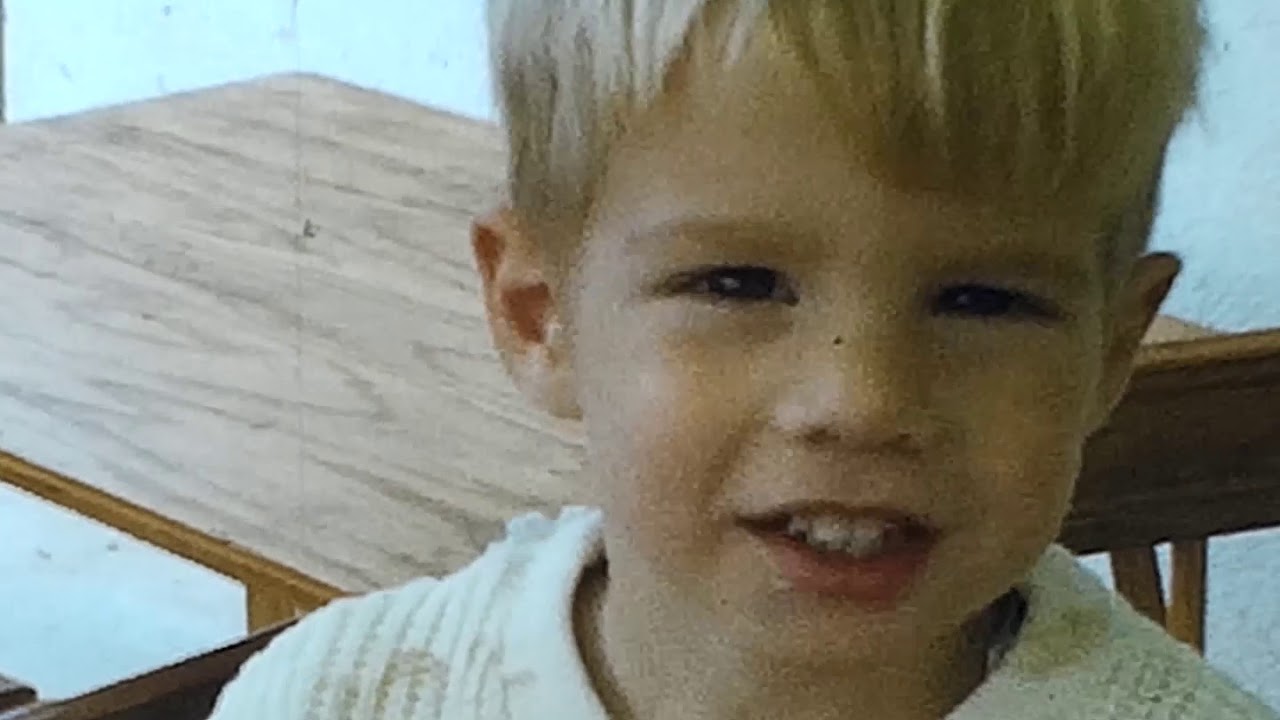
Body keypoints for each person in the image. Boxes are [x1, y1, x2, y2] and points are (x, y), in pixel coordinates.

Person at [209, 1, 1279, 718]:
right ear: (542, 316)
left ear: (1110, 349)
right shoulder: (336, 699)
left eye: (982, 300)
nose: (862, 400)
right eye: (738, 284)